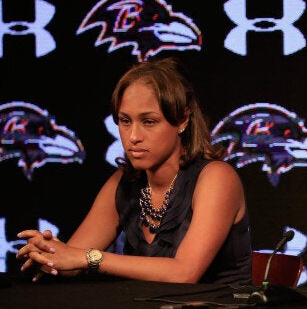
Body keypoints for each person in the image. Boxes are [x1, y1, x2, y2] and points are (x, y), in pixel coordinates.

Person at [16, 58, 252, 284]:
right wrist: (47, 254)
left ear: (182, 120)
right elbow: (73, 261)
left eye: (149, 122)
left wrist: (88, 257)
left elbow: (184, 273)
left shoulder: (217, 178)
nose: (133, 137)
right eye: (125, 121)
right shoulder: (124, 181)